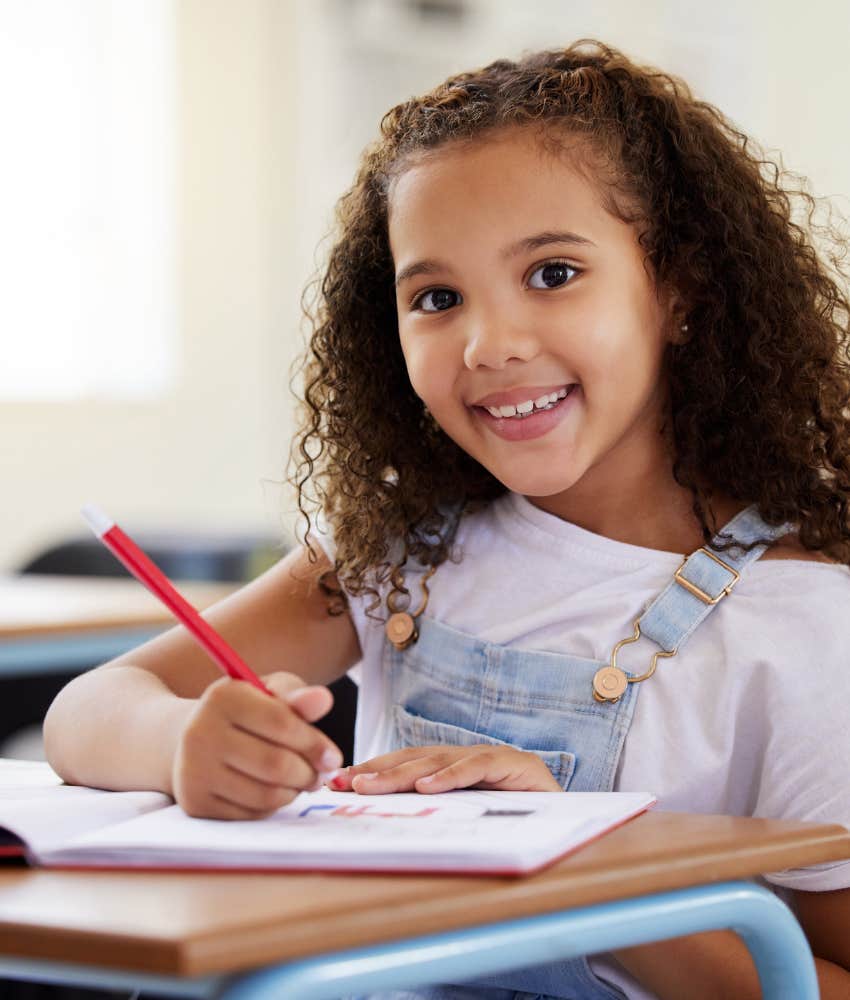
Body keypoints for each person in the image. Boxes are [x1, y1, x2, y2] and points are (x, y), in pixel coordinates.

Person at [43, 39, 850, 1000]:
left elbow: (820, 981)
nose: (489, 344)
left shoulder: (804, 624)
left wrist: (576, 857)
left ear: (680, 289)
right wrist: (182, 747)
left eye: (553, 274)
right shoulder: (405, 553)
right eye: (436, 297)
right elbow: (85, 712)